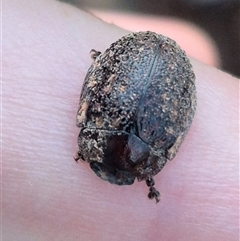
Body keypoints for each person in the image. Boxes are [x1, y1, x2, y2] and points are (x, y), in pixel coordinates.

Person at [3, 0, 239, 240]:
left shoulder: (149, 142)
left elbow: (94, 85)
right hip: (155, 60)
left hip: (143, 54)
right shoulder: (105, 124)